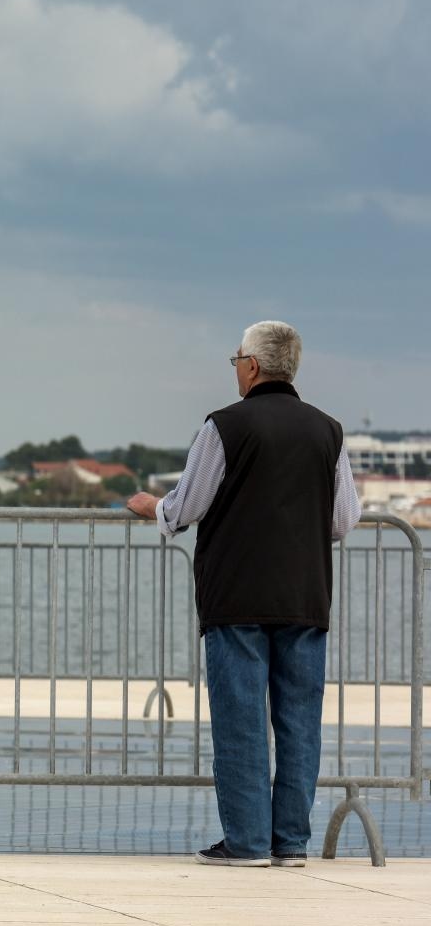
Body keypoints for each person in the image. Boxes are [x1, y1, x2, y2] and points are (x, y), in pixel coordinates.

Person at [128, 321, 360, 868]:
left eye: (236, 358)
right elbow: (343, 521)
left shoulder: (225, 426)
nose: (234, 367)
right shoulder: (329, 430)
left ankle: (248, 843)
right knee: (299, 722)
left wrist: (149, 508)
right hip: (305, 596)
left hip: (236, 596)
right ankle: (291, 844)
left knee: (241, 720)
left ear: (252, 366)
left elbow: (187, 506)